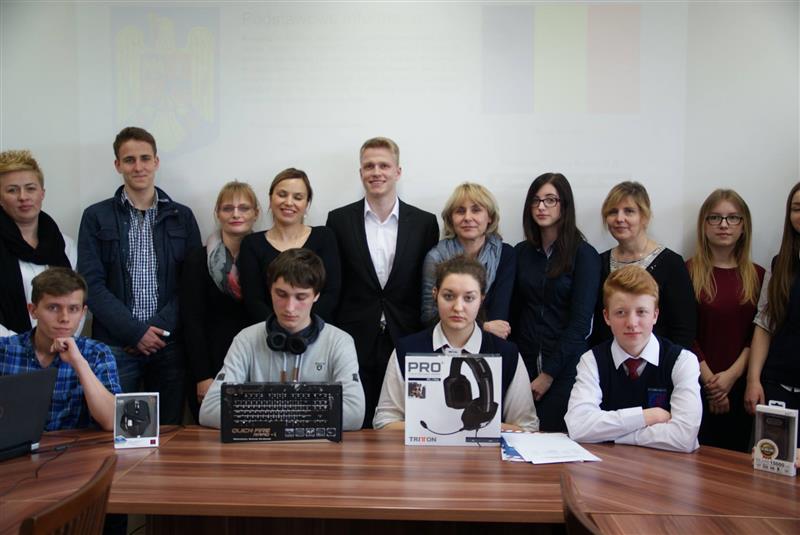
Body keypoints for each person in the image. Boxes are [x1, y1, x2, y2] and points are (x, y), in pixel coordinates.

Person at [78, 126, 201, 425]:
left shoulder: (182, 216)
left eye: (145, 158)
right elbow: (90, 284)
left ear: (156, 162)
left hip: (168, 344)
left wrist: (157, 330)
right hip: (115, 346)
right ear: (117, 165)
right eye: (129, 160)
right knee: (118, 432)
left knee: (169, 431)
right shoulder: (96, 216)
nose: (138, 167)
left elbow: (192, 283)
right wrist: (134, 332)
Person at [326, 137, 439, 427]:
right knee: (355, 424)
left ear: (398, 171)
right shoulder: (338, 220)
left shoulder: (425, 223)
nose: (376, 172)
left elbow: (427, 287)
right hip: (354, 338)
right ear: (360, 172)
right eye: (369, 166)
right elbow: (335, 283)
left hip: (407, 336)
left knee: (407, 423)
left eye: (384, 165)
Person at [199, 248, 365, 430]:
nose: (290, 308)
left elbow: (354, 414)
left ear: (316, 295)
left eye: (301, 297)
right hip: (259, 447)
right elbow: (210, 409)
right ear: (270, 290)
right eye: (281, 294)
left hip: (316, 447)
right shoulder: (246, 339)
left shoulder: (340, 342)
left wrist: (262, 411)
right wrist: (307, 412)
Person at [374, 255, 538, 431]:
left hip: (487, 449)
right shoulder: (407, 350)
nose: (458, 307)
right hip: (420, 449)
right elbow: (384, 421)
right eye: (448, 296)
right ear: (435, 294)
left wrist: (486, 429)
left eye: (469, 298)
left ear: (482, 299)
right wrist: (441, 430)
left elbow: (527, 426)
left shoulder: (507, 354)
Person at [565, 265, 702, 453]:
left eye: (641, 312)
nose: (631, 323)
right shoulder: (591, 361)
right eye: (620, 312)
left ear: (655, 315)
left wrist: (611, 435)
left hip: (667, 467)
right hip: (609, 465)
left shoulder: (682, 361)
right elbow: (578, 426)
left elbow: (684, 437)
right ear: (606, 316)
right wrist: (647, 416)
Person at [511, 172, 600, 432]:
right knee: (519, 437)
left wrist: (548, 375)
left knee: (555, 438)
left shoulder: (584, 255)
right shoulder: (521, 252)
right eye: (536, 200)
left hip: (565, 368)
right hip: (524, 364)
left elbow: (581, 324)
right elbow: (515, 312)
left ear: (565, 205)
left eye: (550, 200)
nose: (541, 207)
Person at [687, 189, 764, 452]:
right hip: (696, 384)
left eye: (733, 217)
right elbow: (684, 334)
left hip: (742, 388)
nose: (723, 224)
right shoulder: (687, 272)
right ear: (704, 225)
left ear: (744, 226)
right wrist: (711, 384)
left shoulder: (759, 276)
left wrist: (731, 376)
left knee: (735, 465)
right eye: (715, 217)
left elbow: (758, 334)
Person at [0, 267, 120, 431]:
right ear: (33, 310)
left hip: (75, 446)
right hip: (16, 445)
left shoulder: (97, 353)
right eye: (53, 308)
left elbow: (113, 421)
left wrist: (79, 363)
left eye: (73, 309)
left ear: (83, 312)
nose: (64, 318)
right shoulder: (4, 350)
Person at [181, 181, 260, 421]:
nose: (236, 214)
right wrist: (202, 376)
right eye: (228, 208)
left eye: (244, 208)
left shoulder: (265, 256)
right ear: (217, 213)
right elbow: (192, 321)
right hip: (211, 364)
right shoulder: (197, 259)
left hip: (256, 362)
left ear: (256, 213)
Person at [591, 181, 696, 348]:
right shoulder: (597, 263)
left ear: (644, 217)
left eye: (629, 211)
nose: (619, 219)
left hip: (660, 361)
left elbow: (684, 329)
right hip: (608, 361)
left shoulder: (671, 263)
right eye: (613, 212)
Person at [238, 168, 340, 324]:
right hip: (269, 332)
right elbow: (254, 300)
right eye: (282, 195)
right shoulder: (251, 244)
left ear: (307, 204)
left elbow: (332, 292)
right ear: (271, 199)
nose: (289, 202)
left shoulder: (324, 237)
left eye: (298, 197)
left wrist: (304, 326)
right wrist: (280, 328)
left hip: (318, 329)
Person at [0, 149, 82, 337]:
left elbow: (76, 301)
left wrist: (61, 340)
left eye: (30, 188)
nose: (23, 197)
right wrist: (23, 346)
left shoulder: (64, 245)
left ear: (42, 193)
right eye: (12, 190)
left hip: (59, 347)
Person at [420, 182, 515, 339]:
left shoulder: (506, 255)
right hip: (446, 342)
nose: (468, 218)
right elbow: (429, 317)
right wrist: (484, 326)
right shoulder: (436, 257)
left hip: (492, 344)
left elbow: (500, 319)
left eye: (476, 210)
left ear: (490, 217)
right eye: (460, 211)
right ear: (451, 219)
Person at [745, 182, 800, 444]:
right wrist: (753, 380)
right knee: (771, 462)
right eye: (797, 208)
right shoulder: (780, 264)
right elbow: (764, 324)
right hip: (778, 387)